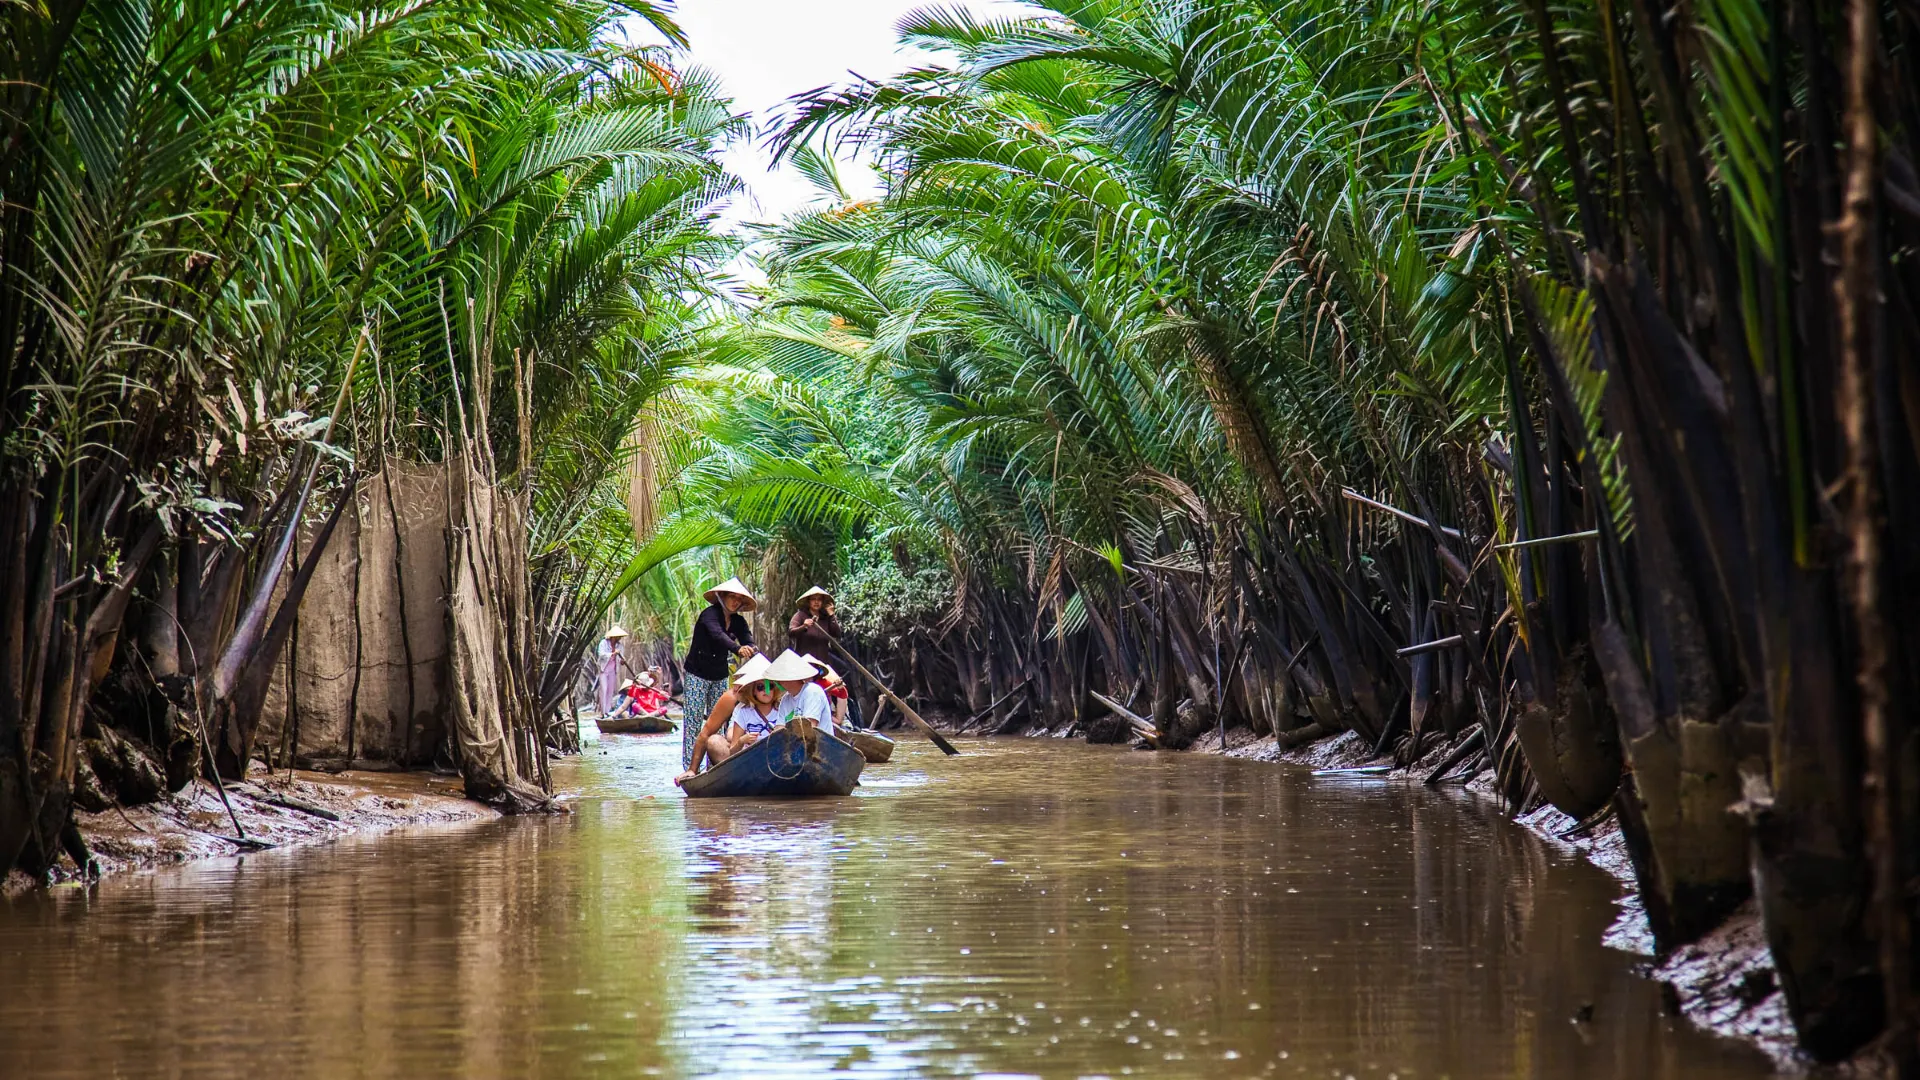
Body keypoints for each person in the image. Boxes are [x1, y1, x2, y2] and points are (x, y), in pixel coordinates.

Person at [681, 577, 757, 769]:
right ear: (721, 596)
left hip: (720, 675)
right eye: (732, 597)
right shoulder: (709, 615)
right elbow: (718, 635)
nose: (735, 602)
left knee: (722, 722)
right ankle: (691, 768)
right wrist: (737, 649)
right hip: (697, 674)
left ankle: (715, 766)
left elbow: (747, 638)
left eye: (739, 599)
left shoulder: (738, 621)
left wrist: (750, 647)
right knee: (694, 721)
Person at [696, 655, 786, 769]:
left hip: (776, 758)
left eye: (770, 686)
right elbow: (732, 752)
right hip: (750, 761)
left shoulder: (783, 708)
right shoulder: (744, 713)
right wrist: (742, 741)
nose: (765, 691)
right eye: (760, 687)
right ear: (753, 691)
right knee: (714, 741)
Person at [767, 649, 836, 737]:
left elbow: (809, 728)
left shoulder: (812, 691)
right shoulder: (786, 699)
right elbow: (779, 729)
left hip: (818, 746)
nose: (777, 681)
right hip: (794, 745)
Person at [788, 586, 841, 661]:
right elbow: (791, 632)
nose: (816, 602)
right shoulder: (800, 615)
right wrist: (804, 626)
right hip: (804, 662)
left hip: (822, 662)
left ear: (822, 602)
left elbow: (837, 634)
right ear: (808, 601)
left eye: (819, 599)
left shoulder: (826, 618)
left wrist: (831, 615)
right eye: (813, 599)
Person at [802, 653, 850, 729]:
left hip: (825, 718)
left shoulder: (822, 682)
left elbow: (842, 694)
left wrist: (836, 719)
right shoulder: (796, 684)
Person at [595, 626, 630, 716]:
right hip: (604, 670)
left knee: (610, 691)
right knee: (604, 689)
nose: (620, 638)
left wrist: (622, 661)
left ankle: (607, 711)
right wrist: (613, 653)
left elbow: (620, 660)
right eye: (618, 636)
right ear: (613, 636)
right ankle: (602, 712)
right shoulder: (603, 643)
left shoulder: (619, 646)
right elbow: (601, 654)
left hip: (613, 670)